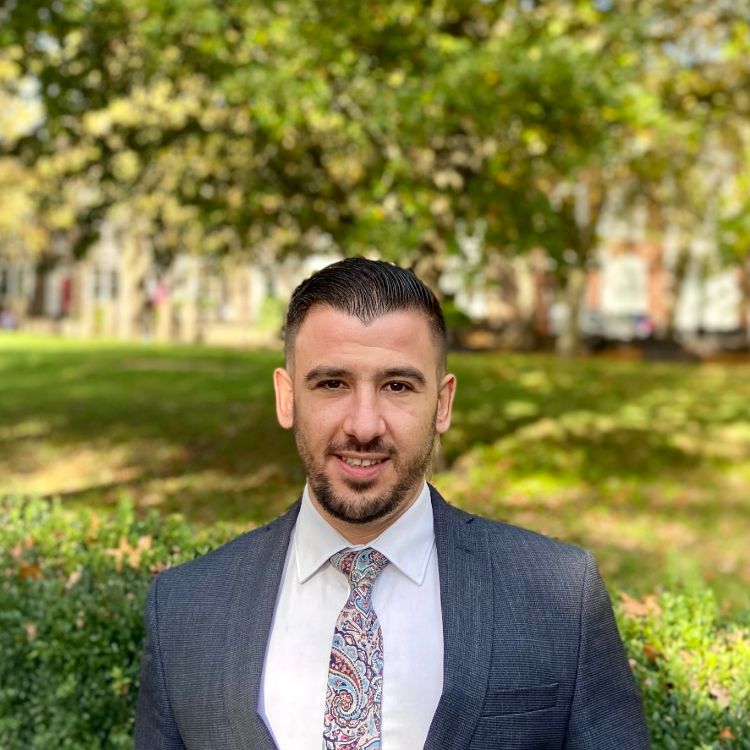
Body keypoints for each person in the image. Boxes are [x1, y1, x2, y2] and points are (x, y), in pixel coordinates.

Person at [135, 257, 651, 750]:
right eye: (332, 384)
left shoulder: (558, 598)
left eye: (397, 386)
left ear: (442, 403)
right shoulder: (185, 608)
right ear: (287, 397)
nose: (364, 425)